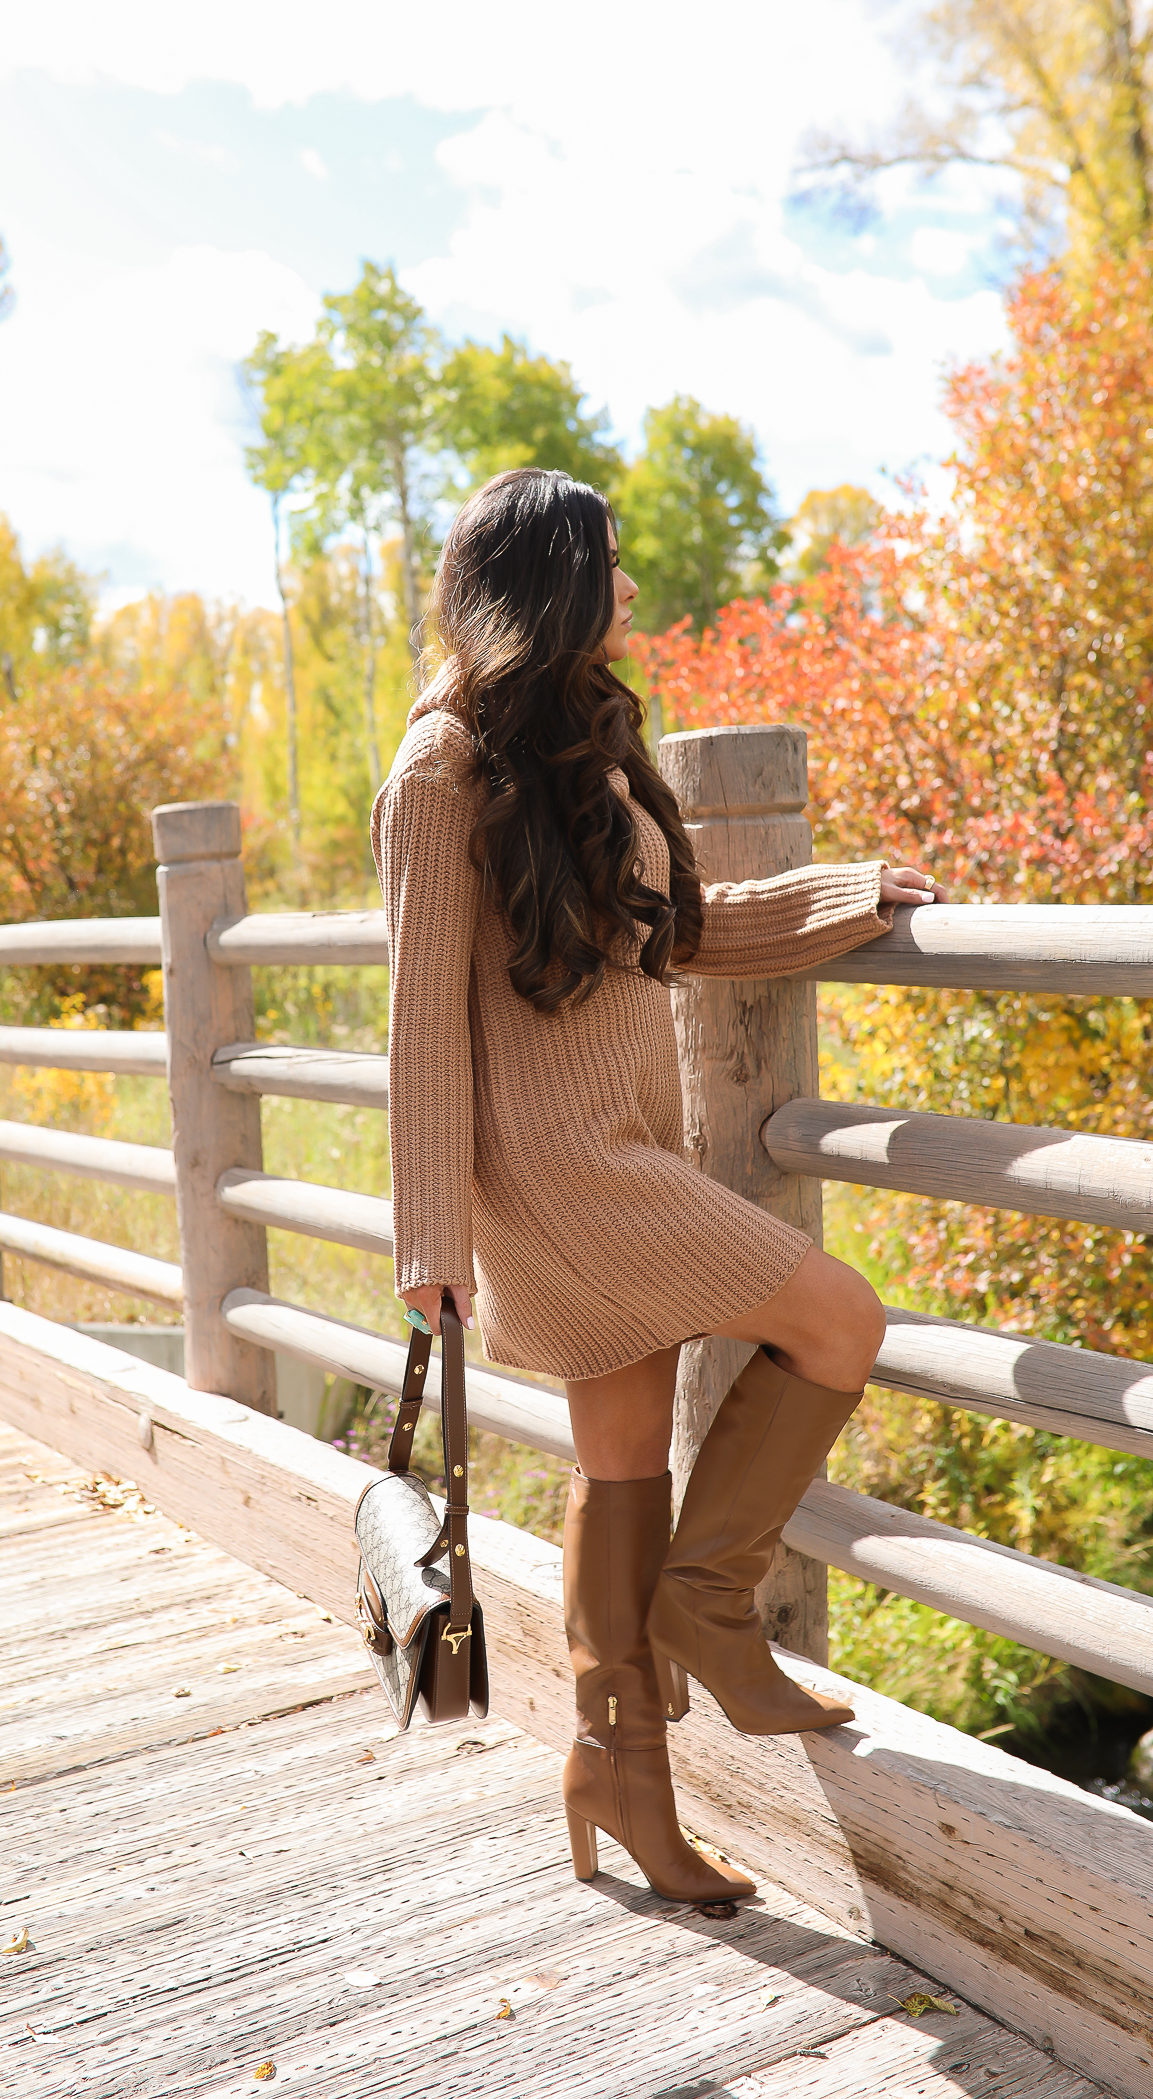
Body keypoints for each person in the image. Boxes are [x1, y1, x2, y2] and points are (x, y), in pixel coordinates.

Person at [371, 468, 948, 1907]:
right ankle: (707, 1607)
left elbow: (669, 933)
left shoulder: (576, 740)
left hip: (625, 1149)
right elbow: (420, 1021)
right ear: (549, 585)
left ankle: (618, 1775)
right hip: (564, 1177)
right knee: (840, 1320)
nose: (631, 589)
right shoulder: (438, 768)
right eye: (608, 566)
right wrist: (427, 1238)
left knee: (623, 1462)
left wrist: (842, 901)